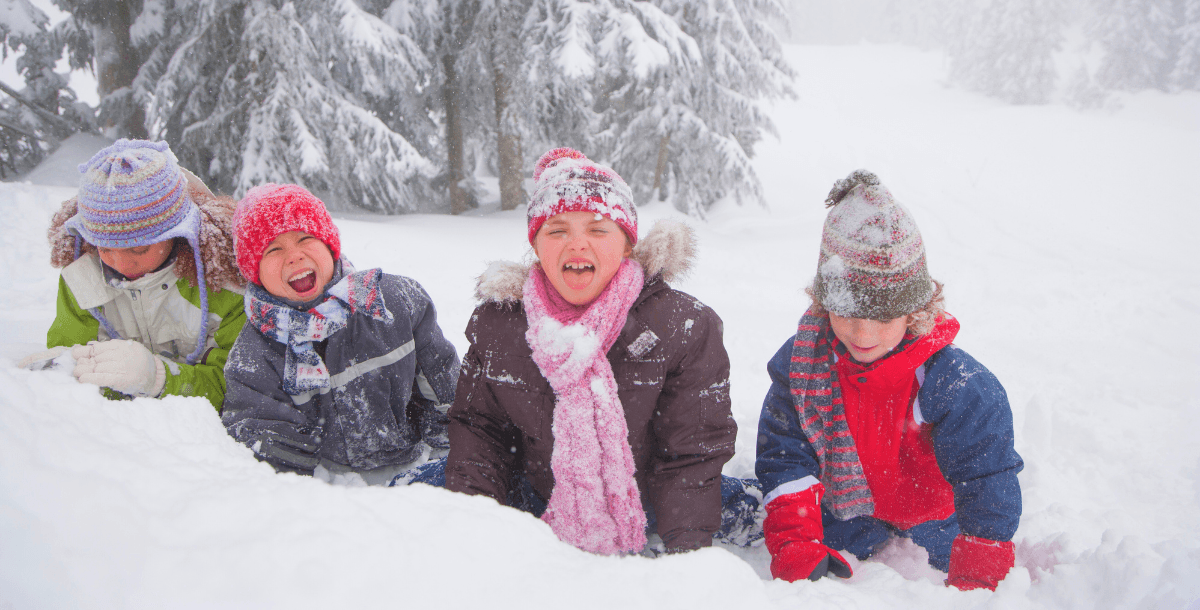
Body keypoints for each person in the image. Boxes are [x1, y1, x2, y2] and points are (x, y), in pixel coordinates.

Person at [445, 147, 741, 556]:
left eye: (599, 230)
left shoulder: (682, 325)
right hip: (539, 497)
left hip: (651, 503)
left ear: (626, 245)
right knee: (416, 498)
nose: (577, 244)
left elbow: (693, 453)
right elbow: (480, 434)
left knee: (740, 508)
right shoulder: (498, 325)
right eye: (557, 230)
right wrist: (472, 533)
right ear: (536, 247)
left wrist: (687, 557)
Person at [755, 170, 1023, 590]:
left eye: (882, 317)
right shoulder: (805, 365)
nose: (864, 335)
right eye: (847, 314)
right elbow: (786, 459)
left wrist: (978, 574)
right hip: (843, 515)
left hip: (935, 525)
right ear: (825, 305)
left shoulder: (954, 382)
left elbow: (987, 477)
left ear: (914, 310)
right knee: (746, 505)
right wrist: (795, 543)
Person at [220, 184, 459, 483]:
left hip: (417, 470)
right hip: (333, 494)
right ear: (254, 272)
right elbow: (270, 455)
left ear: (329, 246)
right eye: (273, 249)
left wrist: (449, 464)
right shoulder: (255, 353)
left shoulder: (394, 302)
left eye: (305, 238)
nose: (294, 256)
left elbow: (446, 393)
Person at [18, 140, 246, 411]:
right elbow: (76, 370)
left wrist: (158, 378)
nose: (122, 263)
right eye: (105, 247)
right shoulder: (83, 279)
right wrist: (60, 372)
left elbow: (239, 390)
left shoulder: (224, 284)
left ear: (179, 233)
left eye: (138, 248)